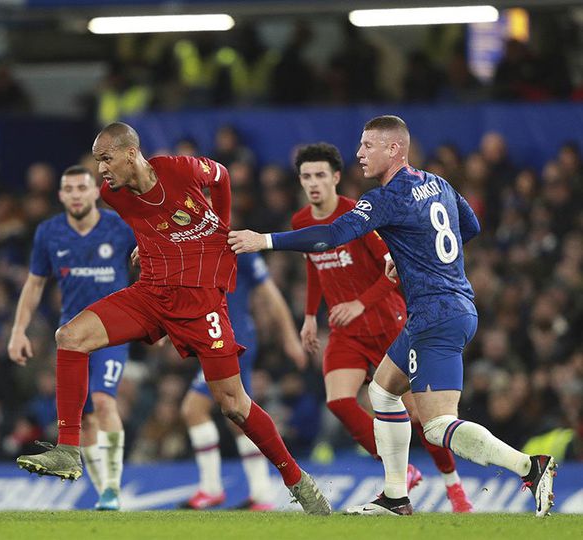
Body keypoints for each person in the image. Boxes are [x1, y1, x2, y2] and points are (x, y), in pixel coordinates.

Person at [228, 115, 557, 517]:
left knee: (436, 426)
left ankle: (529, 466)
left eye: (368, 146)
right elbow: (468, 226)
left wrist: (263, 240)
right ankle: (395, 496)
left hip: (435, 314)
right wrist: (415, 258)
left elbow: (330, 235)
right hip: (449, 308)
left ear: (394, 149)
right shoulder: (438, 183)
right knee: (382, 391)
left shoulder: (385, 197)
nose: (359, 153)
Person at [15, 122, 331, 515]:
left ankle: (297, 481)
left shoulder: (179, 170)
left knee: (234, 404)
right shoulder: (113, 195)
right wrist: (145, 248)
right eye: (98, 162)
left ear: (131, 153)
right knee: (70, 336)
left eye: (106, 159)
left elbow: (223, 175)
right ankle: (67, 449)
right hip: (151, 294)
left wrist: (221, 226)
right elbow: (150, 226)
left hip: (202, 306)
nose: (102, 170)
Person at [291, 143, 472, 512]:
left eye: (320, 175)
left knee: (420, 414)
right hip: (346, 330)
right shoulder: (300, 223)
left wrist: (359, 302)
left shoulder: (358, 216)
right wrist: (311, 314)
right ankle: (401, 470)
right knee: (339, 400)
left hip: (387, 320)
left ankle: (455, 488)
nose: (313, 183)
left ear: (336, 178)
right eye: (306, 176)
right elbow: (314, 266)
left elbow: (393, 272)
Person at [8, 165, 137, 511]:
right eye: (70, 189)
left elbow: (155, 251)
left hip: (114, 331)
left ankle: (112, 486)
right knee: (88, 416)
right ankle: (104, 491)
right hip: (73, 335)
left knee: (104, 400)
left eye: (83, 187)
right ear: (61, 195)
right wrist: (19, 330)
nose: (77, 194)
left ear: (95, 192)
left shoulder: (120, 227)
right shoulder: (49, 233)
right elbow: (35, 284)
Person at [180, 251, 306, 510]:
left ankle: (211, 488)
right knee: (240, 417)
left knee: (193, 409)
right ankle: (261, 494)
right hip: (219, 340)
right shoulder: (194, 250)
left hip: (230, 342)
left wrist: (290, 337)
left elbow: (272, 296)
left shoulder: (239, 251)